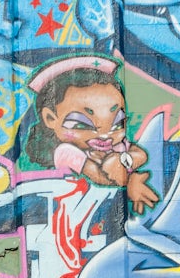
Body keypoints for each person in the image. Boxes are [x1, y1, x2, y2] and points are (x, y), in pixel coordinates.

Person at [26, 55, 159, 214]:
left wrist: (123, 159)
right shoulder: (65, 152)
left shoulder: (116, 144)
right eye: (83, 124)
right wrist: (130, 180)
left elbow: (141, 154)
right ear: (50, 118)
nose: (105, 135)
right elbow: (100, 178)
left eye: (117, 123)